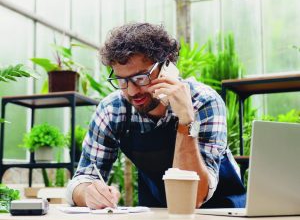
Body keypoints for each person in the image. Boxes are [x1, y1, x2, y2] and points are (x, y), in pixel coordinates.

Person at [66, 23, 246, 209]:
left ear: (167, 66)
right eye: (122, 80)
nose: (133, 91)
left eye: (141, 78)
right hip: (158, 212)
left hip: (221, 213)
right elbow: (83, 178)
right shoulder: (113, 110)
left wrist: (186, 121)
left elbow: (193, 198)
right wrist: (88, 194)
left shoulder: (204, 102)